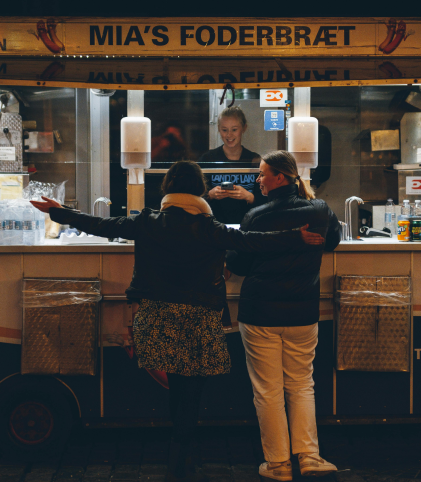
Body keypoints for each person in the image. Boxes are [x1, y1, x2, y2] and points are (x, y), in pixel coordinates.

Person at [30, 161, 325, 482]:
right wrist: (295, 236)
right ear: (199, 190)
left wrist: (59, 212)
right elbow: (253, 241)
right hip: (200, 319)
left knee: (175, 386)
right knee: (192, 390)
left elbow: (104, 225)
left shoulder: (148, 221)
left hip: (158, 318)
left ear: (167, 189)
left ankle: (178, 458)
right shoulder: (210, 228)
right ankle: (185, 452)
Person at [225, 151, 342, 481]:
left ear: (280, 177)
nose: (258, 180)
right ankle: (309, 456)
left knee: (268, 390)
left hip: (260, 312)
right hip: (303, 311)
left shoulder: (256, 215)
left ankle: (277, 464)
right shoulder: (320, 209)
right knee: (302, 384)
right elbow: (332, 241)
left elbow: (239, 263)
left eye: (263, 174)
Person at [198, 106, 264, 225]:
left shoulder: (254, 160)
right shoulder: (208, 159)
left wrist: (249, 196)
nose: (229, 135)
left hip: (248, 227)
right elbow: (195, 196)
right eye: (224, 130)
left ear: (244, 128)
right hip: (215, 227)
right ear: (218, 129)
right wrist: (210, 195)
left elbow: (267, 199)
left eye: (234, 129)